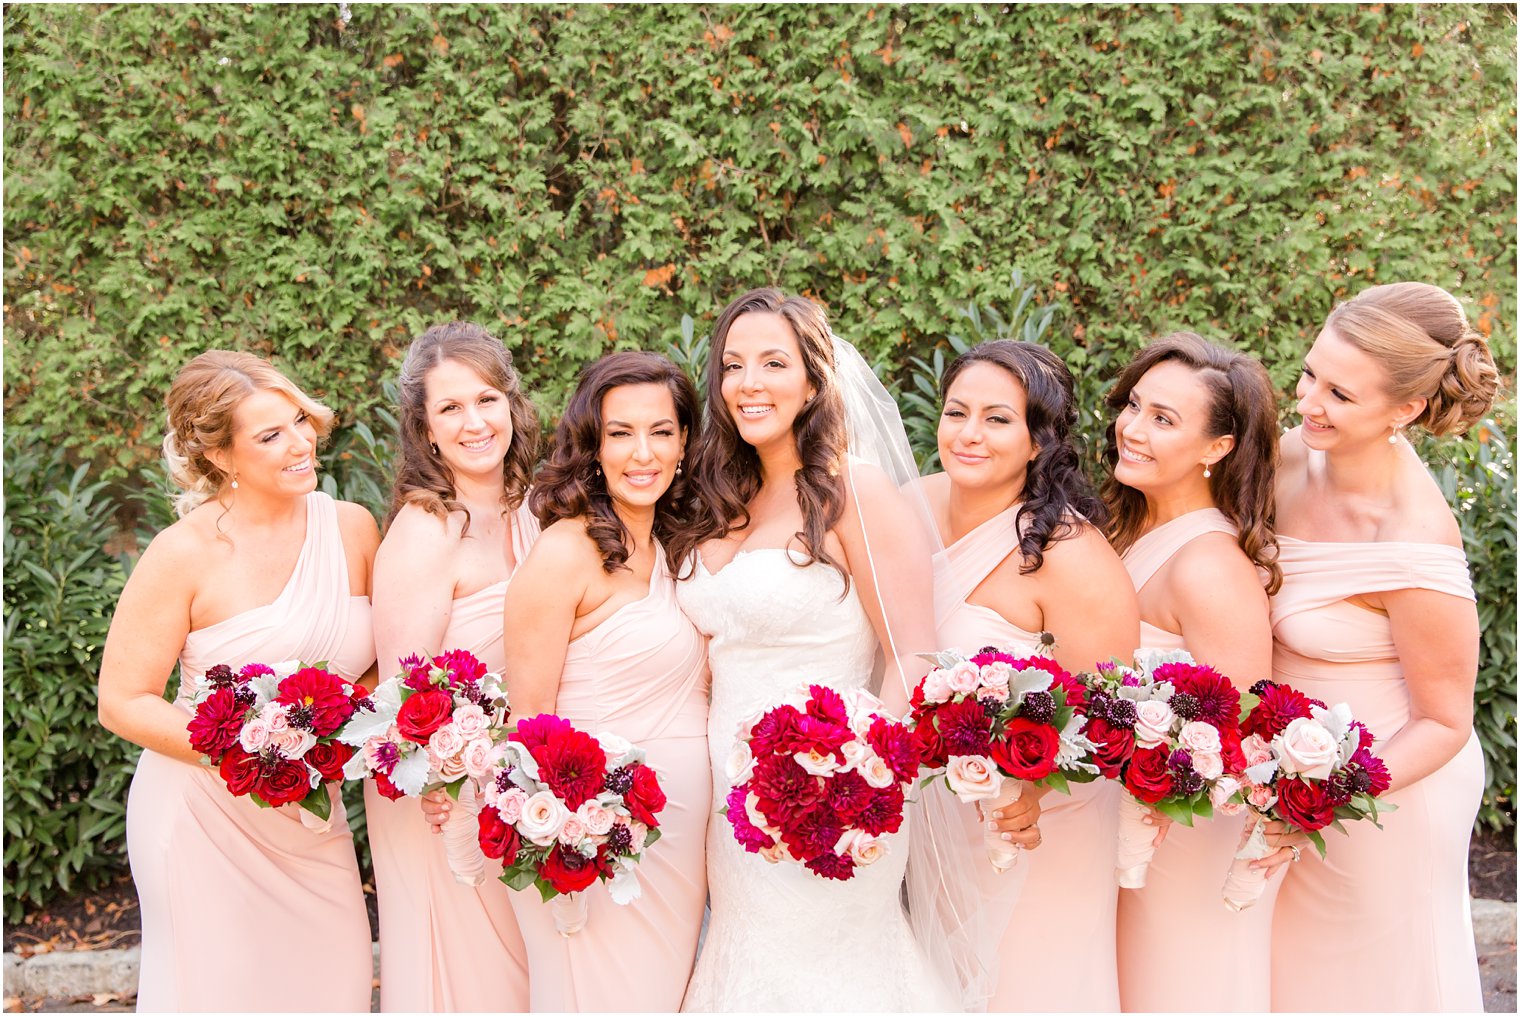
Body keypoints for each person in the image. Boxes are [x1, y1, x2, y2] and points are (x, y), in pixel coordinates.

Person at [673, 288, 956, 1012]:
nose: (749, 383)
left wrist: (858, 780)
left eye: (773, 362)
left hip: (833, 803)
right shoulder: (718, 498)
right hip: (727, 812)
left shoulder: (853, 495)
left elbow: (913, 657)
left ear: (813, 380)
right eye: (733, 366)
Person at [98, 350, 377, 1011]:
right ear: (221, 457)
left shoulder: (352, 528)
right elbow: (121, 700)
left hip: (311, 821)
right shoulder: (184, 554)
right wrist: (254, 751)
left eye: (300, 421)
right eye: (271, 434)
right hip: (201, 816)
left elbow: (370, 664)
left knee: (333, 987)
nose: (301, 442)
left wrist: (332, 728)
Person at [1269, 283, 1497, 1012]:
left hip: (1387, 789)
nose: (1309, 402)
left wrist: (1322, 794)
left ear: (1404, 411)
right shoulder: (1286, 460)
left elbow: (1444, 721)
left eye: (1340, 393)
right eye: (1309, 374)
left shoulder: (1412, 538)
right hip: (1288, 775)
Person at [917, 338, 1140, 1012]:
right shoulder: (908, 505)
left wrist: (1029, 792)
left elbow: (1108, 713)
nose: (970, 435)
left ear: (1039, 440)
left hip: (1032, 824)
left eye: (997, 418)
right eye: (957, 413)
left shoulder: (1072, 557)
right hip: (929, 816)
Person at [493, 351, 710, 1012]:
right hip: (594, 844)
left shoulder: (681, 543)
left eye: (661, 431)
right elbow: (529, 725)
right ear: (592, 447)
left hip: (680, 843)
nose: (641, 452)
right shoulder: (564, 552)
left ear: (684, 445)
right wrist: (572, 838)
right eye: (620, 433)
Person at [1099, 332, 1286, 1012]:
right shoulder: (1128, 532)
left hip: (1183, 839)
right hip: (1121, 829)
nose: (1133, 429)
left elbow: (1238, 735)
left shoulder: (1209, 565)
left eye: (1163, 419)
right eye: (1134, 406)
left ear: (1217, 448)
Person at [366, 322, 540, 1011]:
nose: (474, 423)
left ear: (511, 406)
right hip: (440, 800)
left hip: (513, 788)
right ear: (426, 430)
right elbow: (399, 696)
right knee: (472, 984)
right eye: (450, 409)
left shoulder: (531, 510)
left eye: (487, 400)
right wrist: (437, 779)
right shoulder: (424, 530)